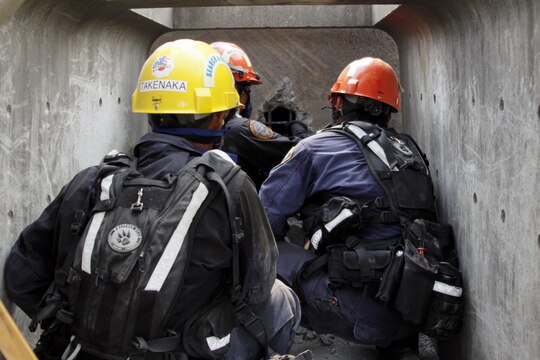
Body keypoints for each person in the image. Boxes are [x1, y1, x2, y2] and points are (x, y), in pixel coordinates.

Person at [4, 39, 302, 360]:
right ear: (219, 118)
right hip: (177, 352)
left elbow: (21, 275)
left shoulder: (93, 181)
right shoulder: (228, 187)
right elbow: (257, 286)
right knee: (280, 299)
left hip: (78, 351)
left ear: (149, 110)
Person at [259, 57, 441, 360]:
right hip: (416, 308)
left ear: (339, 102)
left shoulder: (314, 148)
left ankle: (258, 347)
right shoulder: (409, 150)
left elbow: (263, 221)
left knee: (261, 249)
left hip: (358, 314)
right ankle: (399, 345)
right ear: (388, 111)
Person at [210, 41, 312, 189]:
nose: (248, 94)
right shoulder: (241, 129)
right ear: (235, 90)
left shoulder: (198, 125)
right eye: (247, 87)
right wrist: (299, 128)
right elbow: (304, 152)